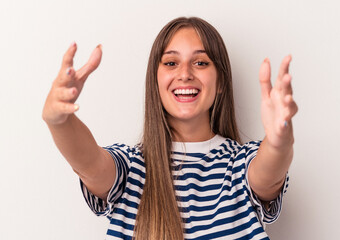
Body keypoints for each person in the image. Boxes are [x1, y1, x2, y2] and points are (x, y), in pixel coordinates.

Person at [42, 17, 298, 240]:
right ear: (155, 80)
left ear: (220, 82)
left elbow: (269, 173)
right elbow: (88, 162)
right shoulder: (131, 167)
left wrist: (278, 141)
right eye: (171, 63)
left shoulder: (240, 166)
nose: (185, 74)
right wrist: (60, 121)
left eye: (200, 63)